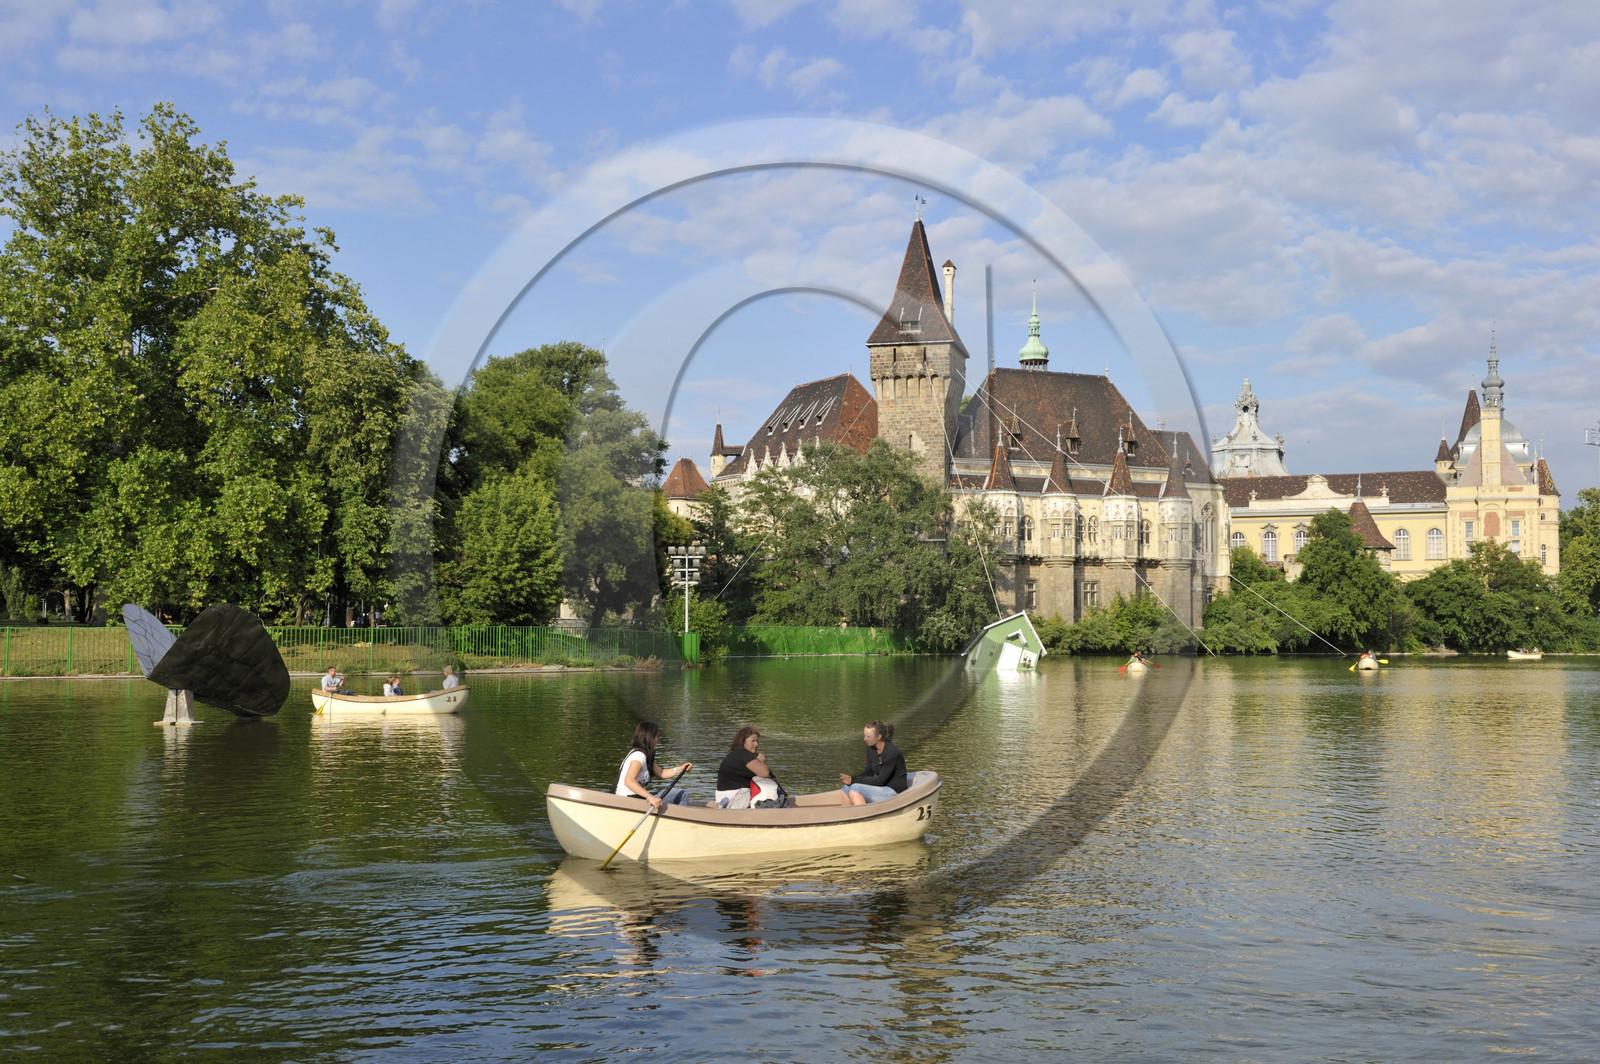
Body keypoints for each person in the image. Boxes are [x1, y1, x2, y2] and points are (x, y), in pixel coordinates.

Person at [615, 721, 693, 809]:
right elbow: (629, 781)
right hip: (629, 800)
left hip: (634, 797)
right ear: (650, 738)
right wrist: (650, 796)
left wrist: (681, 769)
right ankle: (680, 821)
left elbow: (661, 773)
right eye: (657, 736)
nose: (658, 739)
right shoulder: (639, 757)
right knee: (682, 795)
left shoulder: (643, 754)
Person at [839, 720, 908, 806]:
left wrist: (853, 780)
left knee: (855, 788)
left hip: (895, 792)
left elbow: (880, 781)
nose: (864, 739)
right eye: (864, 735)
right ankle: (848, 817)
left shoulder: (892, 752)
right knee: (845, 789)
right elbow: (868, 773)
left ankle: (864, 817)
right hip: (881, 788)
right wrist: (850, 779)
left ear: (878, 737)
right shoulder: (870, 748)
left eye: (868, 736)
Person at [716, 727, 775, 809]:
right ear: (743, 741)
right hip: (735, 802)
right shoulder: (743, 754)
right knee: (763, 784)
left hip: (724, 802)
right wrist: (761, 761)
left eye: (757, 741)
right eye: (753, 741)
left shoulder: (735, 754)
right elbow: (765, 773)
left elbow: (772, 777)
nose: (756, 744)